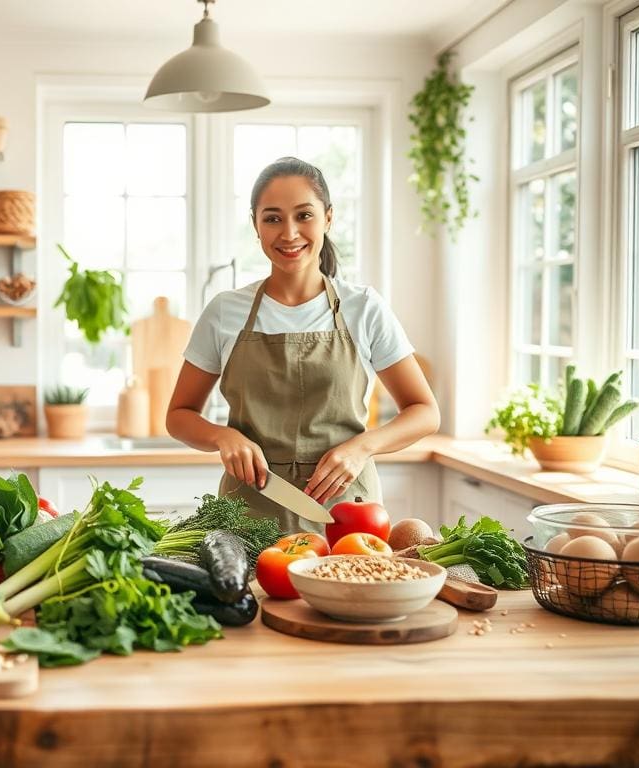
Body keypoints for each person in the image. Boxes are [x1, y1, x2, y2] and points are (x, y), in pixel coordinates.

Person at [166, 156, 440, 532]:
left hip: (346, 514)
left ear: (328, 218)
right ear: (255, 225)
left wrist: (362, 447)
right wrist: (221, 435)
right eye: (273, 218)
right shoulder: (224, 312)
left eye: (304, 215)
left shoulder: (363, 308)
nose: (289, 233)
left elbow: (425, 411)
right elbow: (179, 415)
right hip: (247, 514)